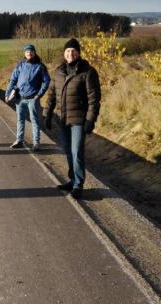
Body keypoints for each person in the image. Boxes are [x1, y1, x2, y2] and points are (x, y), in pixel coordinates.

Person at [44, 38, 101, 199]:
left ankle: (78, 185)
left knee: (77, 152)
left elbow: (94, 99)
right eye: (68, 51)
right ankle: (72, 179)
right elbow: (51, 95)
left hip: (79, 120)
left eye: (74, 51)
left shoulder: (88, 72)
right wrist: (47, 114)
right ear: (64, 53)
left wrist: (91, 120)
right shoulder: (59, 72)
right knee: (68, 151)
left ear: (79, 53)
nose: (71, 54)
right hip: (62, 119)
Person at [6, 44, 50, 151]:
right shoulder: (20, 65)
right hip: (19, 98)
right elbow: (13, 80)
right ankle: (19, 140)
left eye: (31, 51)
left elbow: (46, 81)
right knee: (20, 120)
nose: (29, 53)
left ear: (34, 52)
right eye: (26, 52)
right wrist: (7, 93)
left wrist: (39, 94)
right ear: (24, 53)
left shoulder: (40, 66)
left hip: (33, 99)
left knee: (34, 120)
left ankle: (36, 143)